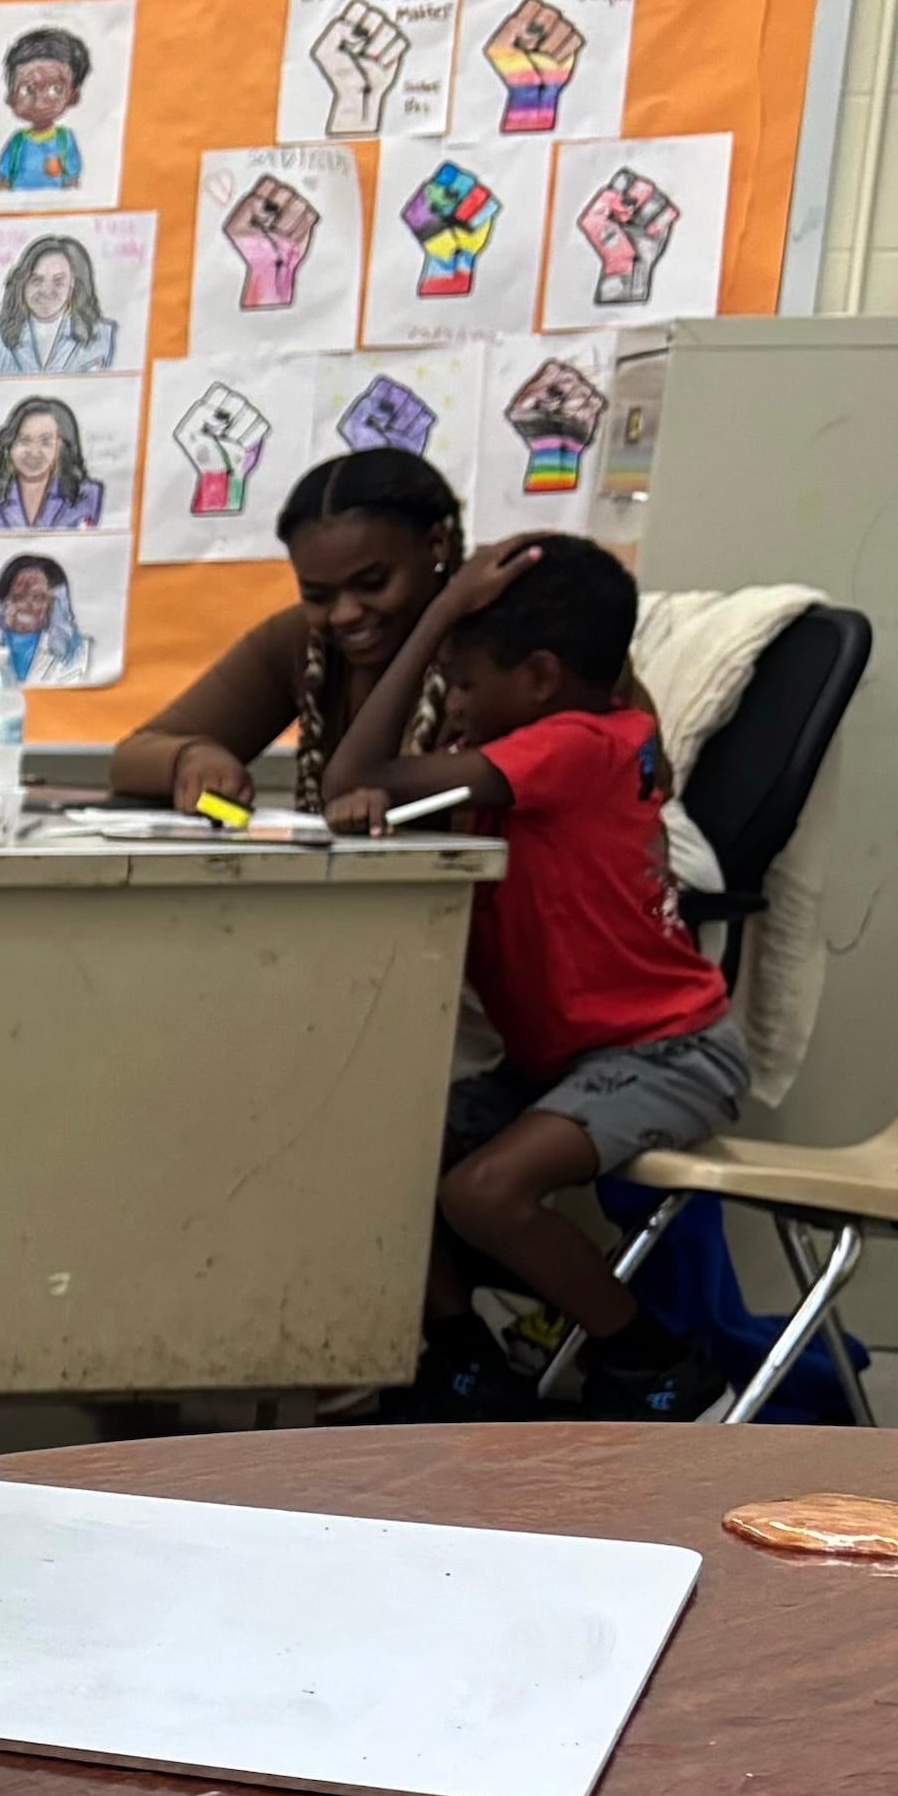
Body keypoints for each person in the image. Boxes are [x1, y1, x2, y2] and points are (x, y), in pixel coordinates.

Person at [311, 534, 736, 1420]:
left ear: (540, 678)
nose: (454, 707)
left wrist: (439, 613)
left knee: (482, 1191)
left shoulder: (574, 744)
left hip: (669, 1051)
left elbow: (355, 774)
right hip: (570, 1060)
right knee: (379, 1154)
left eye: (464, 683)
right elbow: (363, 787)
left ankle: (650, 1358)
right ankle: (464, 1358)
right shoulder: (555, 749)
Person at [103, 448, 462, 814]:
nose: (345, 614)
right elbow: (130, 759)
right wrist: (190, 759)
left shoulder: (491, 638)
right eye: (317, 595)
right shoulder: (303, 639)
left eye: (373, 583)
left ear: (437, 545)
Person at [0, 234, 118, 375]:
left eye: (58, 282)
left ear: (74, 286)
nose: (46, 290)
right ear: (22, 283)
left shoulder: (104, 335)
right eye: (36, 280)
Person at [0, 553, 94, 687]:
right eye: (17, 596)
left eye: (38, 598)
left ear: (54, 606)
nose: (25, 605)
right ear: (0, 603)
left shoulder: (78, 652)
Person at [0, 395, 100, 530]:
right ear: (8, 445)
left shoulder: (91, 496)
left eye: (46, 442)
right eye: (24, 440)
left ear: (62, 447)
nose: (34, 452)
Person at [0, 24, 91, 195]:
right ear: (10, 97)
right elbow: (3, 184)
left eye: (55, 89)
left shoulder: (66, 140)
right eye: (28, 90)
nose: (40, 103)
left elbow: (73, 183)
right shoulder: (17, 142)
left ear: (73, 97)